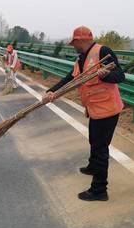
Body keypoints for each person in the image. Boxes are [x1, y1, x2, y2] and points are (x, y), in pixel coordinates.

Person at [42, 26, 125, 201]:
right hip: (95, 109)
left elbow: (120, 75)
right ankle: (93, 167)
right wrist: (52, 91)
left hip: (108, 110)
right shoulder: (81, 58)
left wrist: (105, 75)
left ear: (83, 40)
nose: (73, 45)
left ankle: (99, 190)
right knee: (94, 140)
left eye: (75, 42)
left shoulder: (103, 51)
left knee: (100, 148)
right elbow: (70, 78)